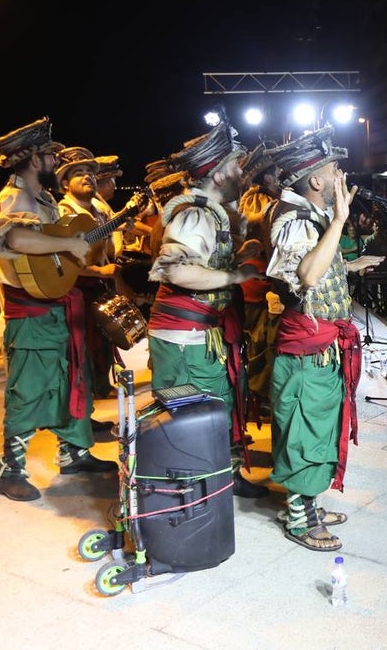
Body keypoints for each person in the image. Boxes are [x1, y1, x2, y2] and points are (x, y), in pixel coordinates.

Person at [0, 117, 115, 502]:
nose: (53, 162)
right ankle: (11, 470)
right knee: (29, 390)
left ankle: (74, 453)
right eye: (47, 155)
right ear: (31, 158)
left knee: (69, 379)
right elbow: (17, 237)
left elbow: (60, 243)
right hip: (31, 317)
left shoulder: (43, 200)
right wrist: (64, 248)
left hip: (56, 308)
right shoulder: (13, 199)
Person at [266, 126, 384, 552]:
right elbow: (308, 275)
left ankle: (308, 505)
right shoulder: (294, 221)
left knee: (317, 427)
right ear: (316, 180)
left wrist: (350, 267)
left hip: (323, 346)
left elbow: (323, 269)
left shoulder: (311, 219)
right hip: (305, 351)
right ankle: (299, 519)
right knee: (304, 428)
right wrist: (339, 220)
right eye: (335, 170)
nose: (341, 176)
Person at [146, 122, 267, 498]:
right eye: (235, 167)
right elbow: (175, 269)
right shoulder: (194, 215)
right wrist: (234, 276)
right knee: (193, 410)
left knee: (219, 401)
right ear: (217, 172)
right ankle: (189, 485)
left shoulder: (215, 213)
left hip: (205, 333)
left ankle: (224, 476)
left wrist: (241, 252)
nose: (241, 174)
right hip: (187, 337)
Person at [55, 147, 119, 408]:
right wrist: (98, 271)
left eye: (90, 173)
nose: (87, 177)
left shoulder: (98, 210)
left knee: (99, 347)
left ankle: (94, 398)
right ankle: (81, 410)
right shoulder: (64, 213)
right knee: (81, 353)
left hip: (98, 288)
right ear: (65, 184)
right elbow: (62, 262)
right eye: (78, 173)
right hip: (77, 291)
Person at [236, 142, 284, 428]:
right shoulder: (255, 199)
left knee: (268, 343)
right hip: (255, 284)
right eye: (276, 172)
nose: (280, 175)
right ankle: (257, 395)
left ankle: (262, 393)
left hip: (266, 281)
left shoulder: (269, 197)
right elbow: (250, 225)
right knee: (258, 343)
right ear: (266, 176)